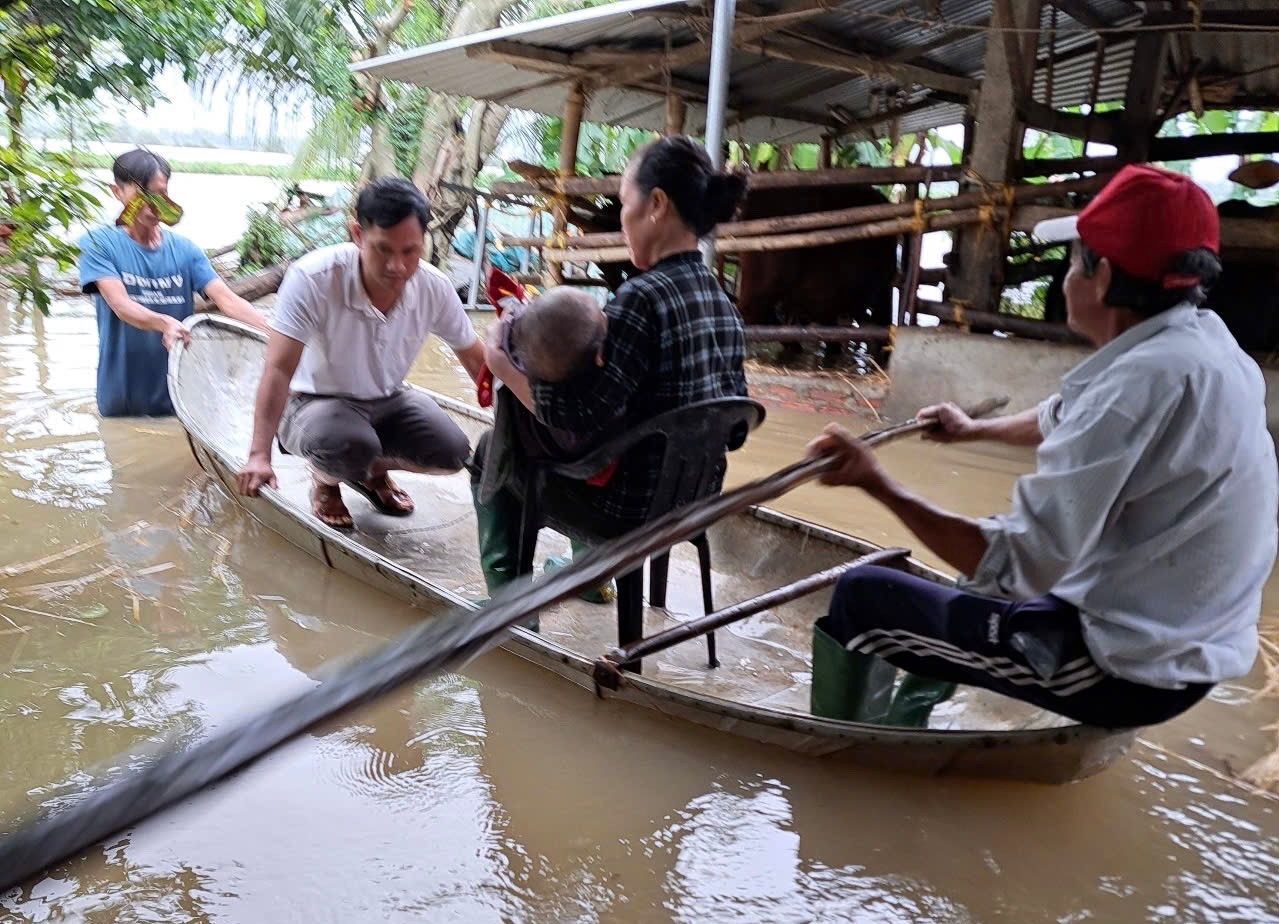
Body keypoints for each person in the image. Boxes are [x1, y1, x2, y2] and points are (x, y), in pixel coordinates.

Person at [806, 164, 1278, 728]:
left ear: (1102, 278)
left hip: (1124, 669)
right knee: (970, 577)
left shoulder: (1134, 388)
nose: (1065, 279)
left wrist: (874, 482)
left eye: (1073, 262)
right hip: (1186, 649)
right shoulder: (1205, 346)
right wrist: (973, 429)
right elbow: (1064, 417)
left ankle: (845, 747)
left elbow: (1012, 567)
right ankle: (910, 719)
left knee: (862, 596)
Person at [473, 135, 749, 595]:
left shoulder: (639, 300)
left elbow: (574, 419)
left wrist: (504, 367)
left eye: (623, 202)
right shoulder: (722, 302)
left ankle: (509, 610)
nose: (621, 219)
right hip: (693, 504)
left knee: (490, 454)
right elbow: (736, 431)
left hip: (626, 512)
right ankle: (586, 579)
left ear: (656, 204)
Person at [235, 177, 486, 529]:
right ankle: (325, 480)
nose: (398, 267)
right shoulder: (312, 278)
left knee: (453, 452)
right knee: (347, 445)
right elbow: (277, 369)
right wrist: (259, 455)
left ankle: (369, 474)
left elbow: (478, 360)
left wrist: (519, 424)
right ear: (357, 234)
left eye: (410, 251)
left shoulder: (434, 287)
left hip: (390, 398)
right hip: (311, 403)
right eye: (383, 249)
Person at [78, 148, 269, 417]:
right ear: (117, 192)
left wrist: (275, 333)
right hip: (121, 400)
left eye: (160, 194)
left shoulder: (186, 250)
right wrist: (164, 322)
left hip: (181, 400)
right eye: (141, 195)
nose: (152, 205)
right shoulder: (97, 244)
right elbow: (120, 305)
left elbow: (226, 300)